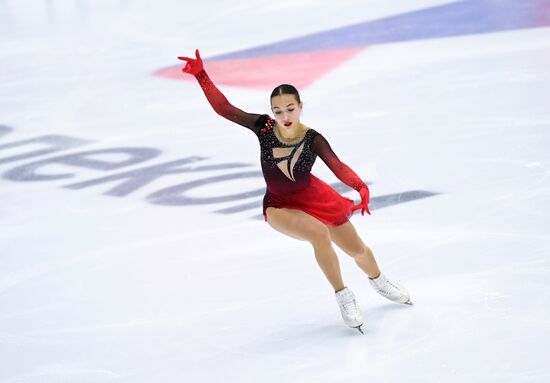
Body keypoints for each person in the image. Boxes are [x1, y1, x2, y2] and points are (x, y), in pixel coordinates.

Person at [178, 49, 411, 334]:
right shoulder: (263, 127)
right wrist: (201, 75)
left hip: (314, 196)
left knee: (357, 249)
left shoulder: (313, 139)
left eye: (289, 109)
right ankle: (344, 295)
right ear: (271, 111)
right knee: (318, 233)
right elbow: (226, 109)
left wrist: (360, 186)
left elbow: (337, 166)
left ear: (300, 106)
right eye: (278, 111)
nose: (284, 115)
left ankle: (378, 279)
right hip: (280, 205)